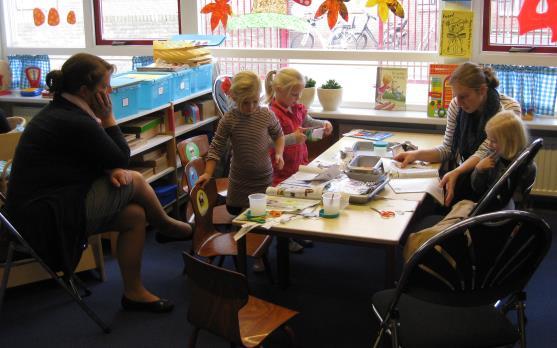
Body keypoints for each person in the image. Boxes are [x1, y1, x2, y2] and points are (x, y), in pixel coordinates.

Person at [5, 53, 192, 313]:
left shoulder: (62, 110)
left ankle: (133, 292)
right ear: (84, 91)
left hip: (47, 207)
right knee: (134, 180)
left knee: (135, 216)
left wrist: (108, 169)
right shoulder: (73, 120)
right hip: (44, 218)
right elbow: (121, 157)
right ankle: (166, 224)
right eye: (105, 86)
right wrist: (109, 119)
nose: (110, 91)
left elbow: (80, 160)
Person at [394, 62, 521, 206]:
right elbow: (448, 148)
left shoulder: (507, 111)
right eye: (456, 96)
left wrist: (457, 171)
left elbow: (484, 153)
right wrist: (416, 155)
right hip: (468, 176)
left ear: (482, 90)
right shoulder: (457, 105)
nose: (459, 103)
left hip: (489, 185)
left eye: (464, 97)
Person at [196, 71, 285, 270]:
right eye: (245, 103)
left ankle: (259, 255)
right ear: (234, 99)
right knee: (240, 217)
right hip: (239, 183)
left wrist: (279, 153)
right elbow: (216, 148)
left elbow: (279, 135)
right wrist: (208, 173)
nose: (250, 107)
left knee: (262, 220)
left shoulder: (265, 114)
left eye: (254, 101)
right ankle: (242, 253)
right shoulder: (229, 119)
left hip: (263, 180)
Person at [265, 68, 333, 252]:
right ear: (278, 90)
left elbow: (308, 120)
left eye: (299, 94)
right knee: (284, 204)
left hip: (297, 164)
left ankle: (291, 236)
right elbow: (268, 143)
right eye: (294, 94)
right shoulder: (271, 114)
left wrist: (324, 124)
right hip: (280, 167)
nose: (297, 98)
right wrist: (292, 139)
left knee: (296, 201)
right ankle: (274, 244)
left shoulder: (295, 108)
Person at [470, 110, 535, 202]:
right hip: (489, 202)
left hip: (505, 208)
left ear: (511, 142)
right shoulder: (492, 155)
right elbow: (477, 188)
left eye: (494, 141)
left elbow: (515, 199)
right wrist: (479, 170)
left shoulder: (526, 166)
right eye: (489, 139)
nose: (489, 145)